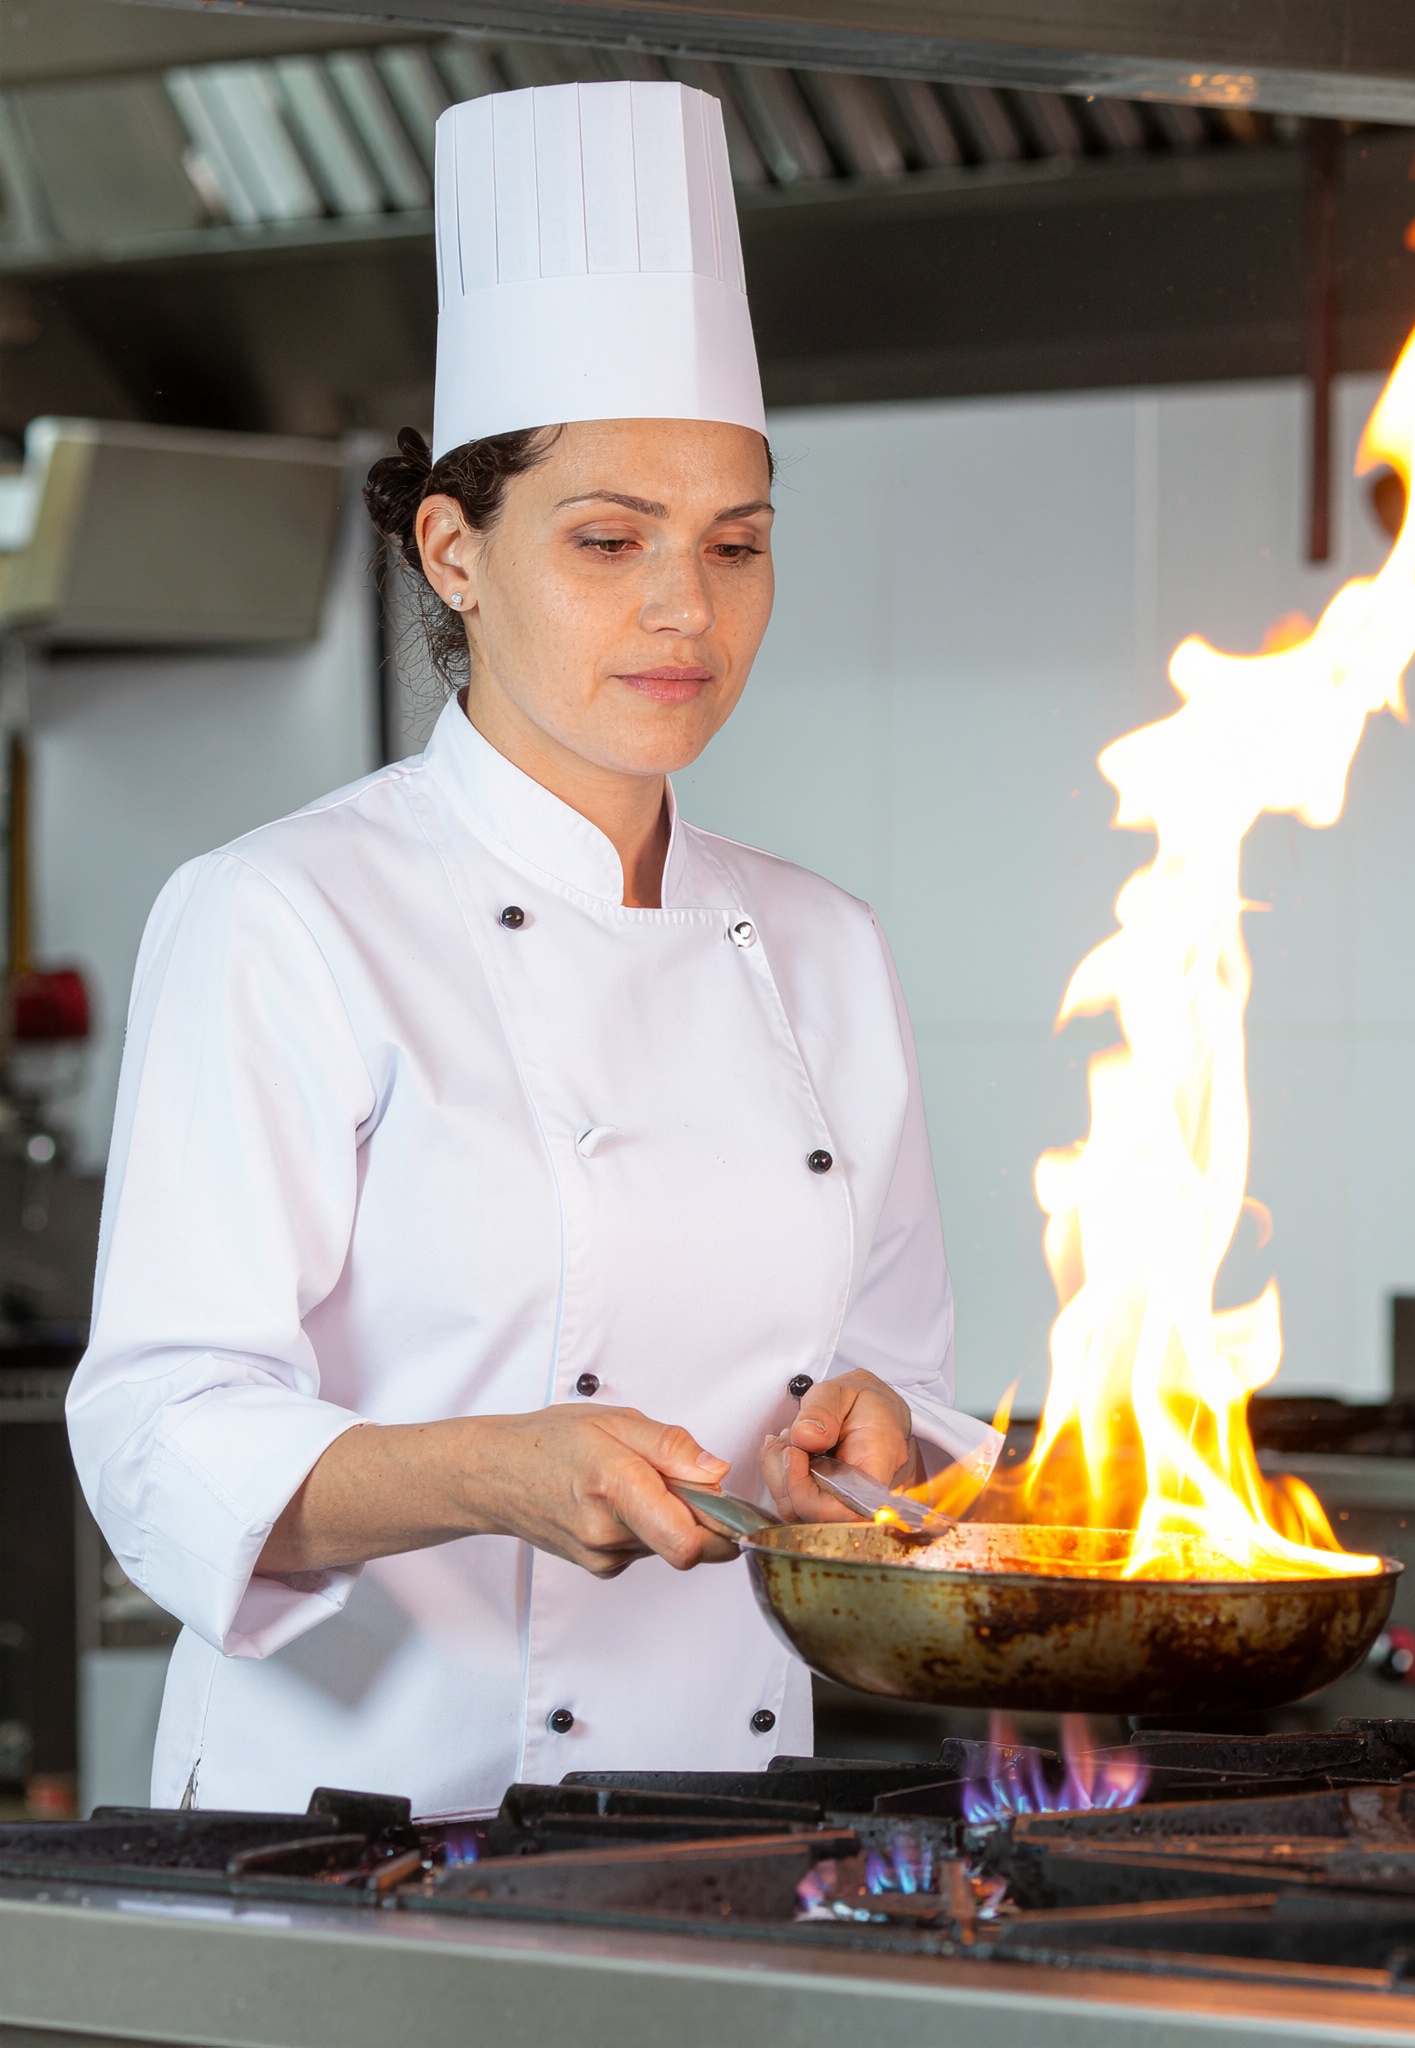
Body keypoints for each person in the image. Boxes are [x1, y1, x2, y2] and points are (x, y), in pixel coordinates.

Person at [66, 79, 992, 1817]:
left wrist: (891, 1445)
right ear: (454, 550)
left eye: (737, 545)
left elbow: (913, 1395)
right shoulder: (285, 915)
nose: (685, 611)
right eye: (607, 541)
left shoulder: (823, 946)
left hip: (721, 1814)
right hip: (346, 1822)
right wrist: (495, 1472)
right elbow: (157, 1432)